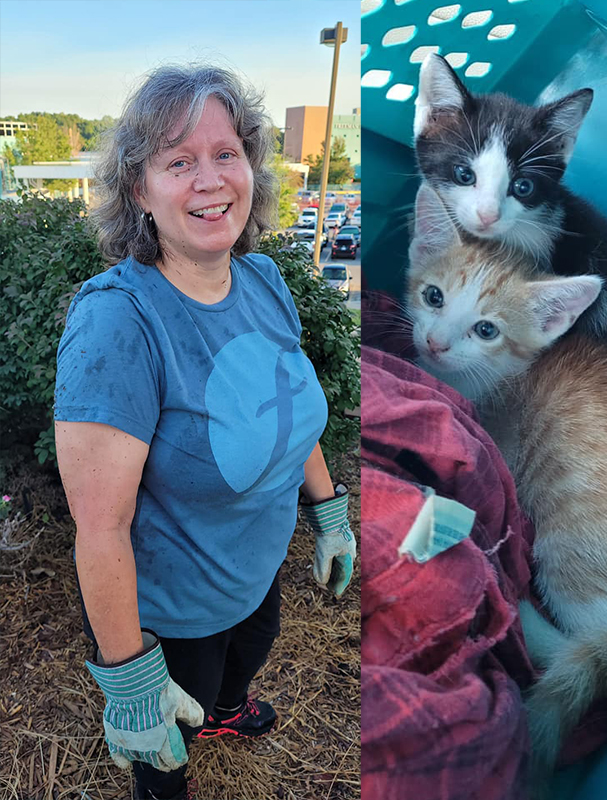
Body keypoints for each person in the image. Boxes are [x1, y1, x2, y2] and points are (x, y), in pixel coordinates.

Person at [53, 64, 357, 800]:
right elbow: (100, 527)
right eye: (178, 162)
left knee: (251, 647)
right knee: (166, 763)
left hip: (252, 574)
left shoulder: (261, 281)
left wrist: (327, 510)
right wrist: (128, 679)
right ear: (140, 191)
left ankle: (227, 708)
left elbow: (287, 408)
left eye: (226, 154)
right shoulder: (119, 322)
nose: (210, 180)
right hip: (171, 618)